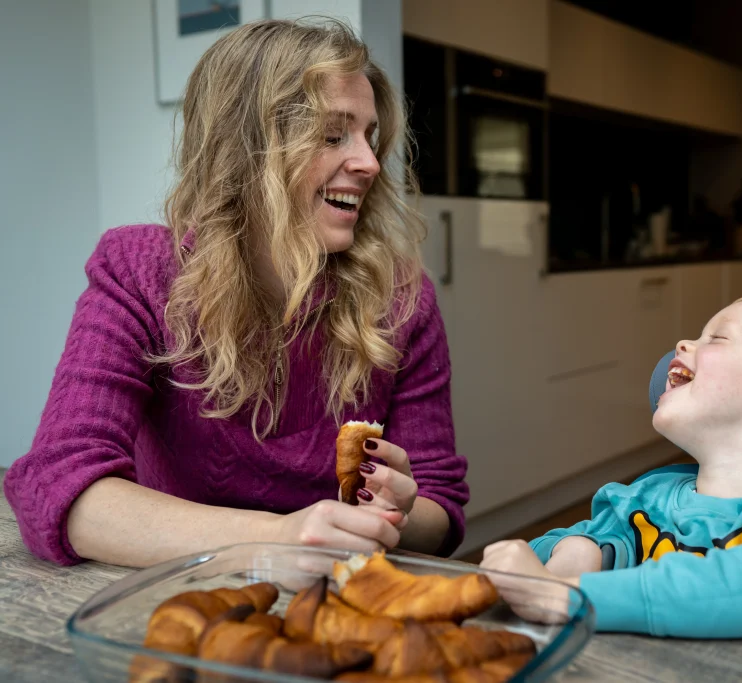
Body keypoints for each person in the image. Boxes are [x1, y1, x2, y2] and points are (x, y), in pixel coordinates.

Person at [4, 19, 468, 568]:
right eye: (332, 134)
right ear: (248, 152)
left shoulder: (401, 299)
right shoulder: (139, 272)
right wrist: (276, 540)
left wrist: (398, 513)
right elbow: (62, 485)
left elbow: (440, 506)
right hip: (171, 595)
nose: (369, 162)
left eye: (369, 135)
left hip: (339, 602)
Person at [481, 286, 742, 638]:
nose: (683, 345)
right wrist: (580, 551)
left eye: (718, 338)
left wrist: (567, 596)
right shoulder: (647, 497)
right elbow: (534, 562)